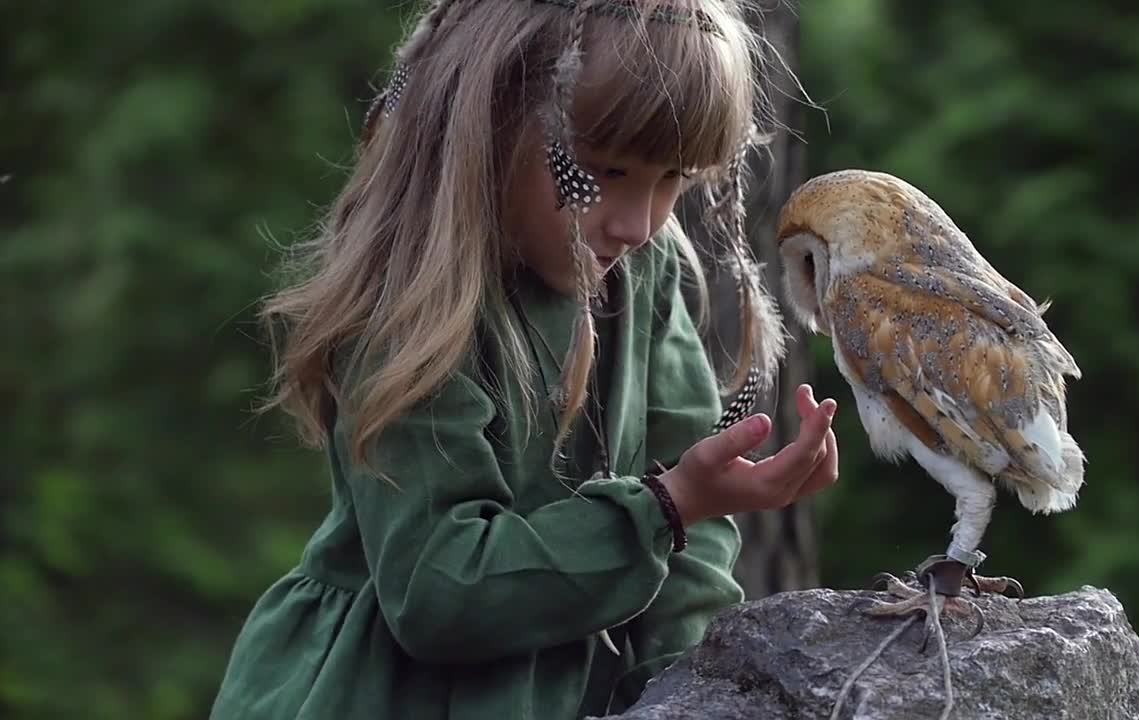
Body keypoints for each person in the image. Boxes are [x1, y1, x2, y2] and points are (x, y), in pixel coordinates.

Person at [210, 0, 840, 717]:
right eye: (604, 170)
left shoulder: (644, 269)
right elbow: (440, 591)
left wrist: (681, 694)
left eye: (673, 180)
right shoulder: (418, 298)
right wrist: (665, 507)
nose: (637, 223)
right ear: (494, 126)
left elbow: (688, 543)